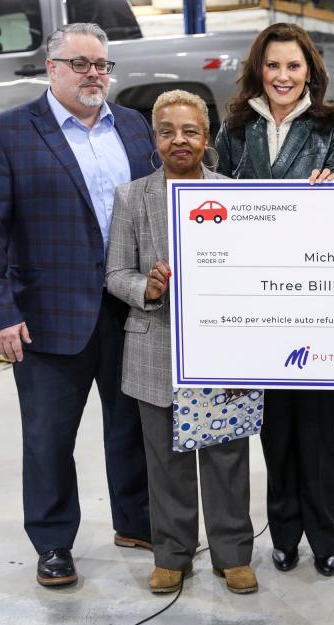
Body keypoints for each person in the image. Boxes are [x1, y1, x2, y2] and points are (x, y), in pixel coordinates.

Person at [0, 23, 154, 588]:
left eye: (102, 64)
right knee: (49, 437)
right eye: (80, 63)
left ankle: (135, 522)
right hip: (45, 316)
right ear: (51, 68)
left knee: (132, 427)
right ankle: (52, 542)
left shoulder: (134, 127)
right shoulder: (6, 133)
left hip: (130, 309)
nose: (94, 73)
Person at [214, 22, 334, 578]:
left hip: (317, 296)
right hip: (259, 297)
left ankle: (325, 536)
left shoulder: (332, 128)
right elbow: (216, 200)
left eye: (293, 66)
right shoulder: (235, 127)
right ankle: (285, 531)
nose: (283, 76)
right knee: (275, 428)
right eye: (273, 65)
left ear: (309, 71)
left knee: (318, 426)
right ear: (259, 69)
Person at [105, 90, 257, 596]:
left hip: (220, 350)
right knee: (165, 462)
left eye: (190, 131)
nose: (179, 140)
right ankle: (172, 555)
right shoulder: (132, 197)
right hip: (155, 346)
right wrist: (144, 288)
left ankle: (233, 554)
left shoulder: (232, 195)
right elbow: (115, 273)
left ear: (207, 137)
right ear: (155, 138)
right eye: (167, 131)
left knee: (225, 455)